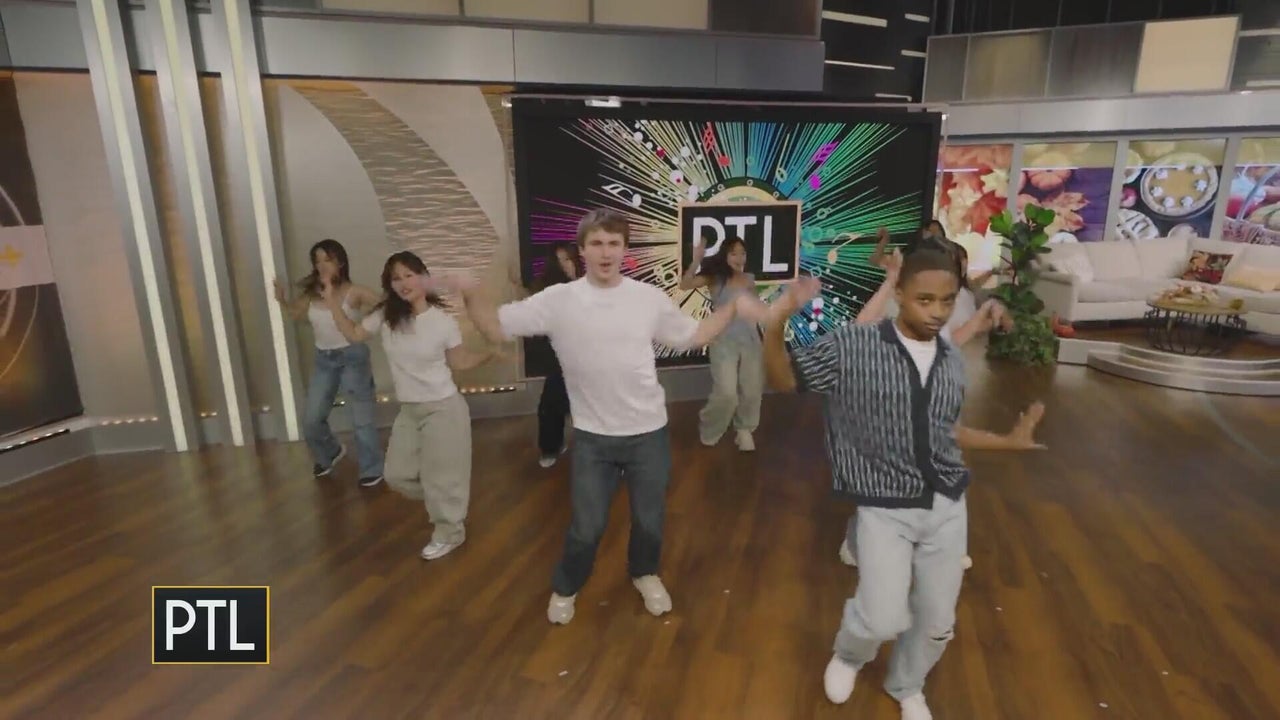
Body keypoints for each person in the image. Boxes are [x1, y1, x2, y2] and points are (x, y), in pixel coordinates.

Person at [444, 209, 784, 625]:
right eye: (597, 244)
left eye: (613, 244)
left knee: (650, 521)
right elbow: (496, 328)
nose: (605, 252)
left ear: (624, 250)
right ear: (583, 250)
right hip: (593, 438)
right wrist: (471, 293)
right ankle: (567, 586)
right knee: (586, 526)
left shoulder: (646, 298)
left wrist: (731, 311)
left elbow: (693, 336)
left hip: (648, 434)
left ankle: (644, 572)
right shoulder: (558, 300)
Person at [760, 249, 1045, 719]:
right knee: (881, 616)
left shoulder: (949, 358)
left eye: (947, 301)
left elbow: (942, 431)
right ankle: (850, 655)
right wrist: (777, 322)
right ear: (898, 294)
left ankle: (906, 685)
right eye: (924, 300)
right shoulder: (855, 345)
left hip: (947, 504)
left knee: (937, 624)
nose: (937, 312)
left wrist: (1006, 442)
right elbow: (785, 379)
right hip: (884, 505)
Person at [840, 247, 1015, 571]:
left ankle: (943, 547)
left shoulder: (940, 307)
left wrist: (982, 317)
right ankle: (855, 540)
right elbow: (859, 328)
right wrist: (890, 281)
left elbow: (949, 341)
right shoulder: (898, 301)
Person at [324, 251, 498, 561]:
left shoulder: (442, 322)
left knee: (443, 479)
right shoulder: (386, 316)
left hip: (443, 408)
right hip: (409, 410)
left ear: (423, 278)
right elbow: (353, 334)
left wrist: (490, 353)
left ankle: (450, 532)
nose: (403, 283)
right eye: (396, 278)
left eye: (409, 275)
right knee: (397, 475)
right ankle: (446, 505)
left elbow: (460, 362)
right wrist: (332, 303)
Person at [273, 239, 384, 488]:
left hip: (352, 358)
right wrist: (282, 300)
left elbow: (384, 306)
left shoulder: (354, 292)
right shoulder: (313, 294)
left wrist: (366, 326)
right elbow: (295, 314)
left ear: (340, 262)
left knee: (361, 420)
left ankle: (372, 468)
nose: (322, 265)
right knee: (311, 418)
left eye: (327, 260)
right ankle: (330, 451)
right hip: (324, 359)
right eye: (317, 261)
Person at [678, 235, 764, 451]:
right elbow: (684, 284)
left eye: (742, 253)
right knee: (727, 394)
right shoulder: (715, 278)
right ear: (725, 255)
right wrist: (696, 260)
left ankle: (744, 430)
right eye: (734, 253)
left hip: (751, 340)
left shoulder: (749, 279)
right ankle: (710, 429)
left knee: (752, 391)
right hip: (723, 341)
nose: (739, 258)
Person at [517, 242, 580, 468]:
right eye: (560, 261)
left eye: (568, 259)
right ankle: (551, 447)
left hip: (592, 358)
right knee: (551, 405)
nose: (565, 266)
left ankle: (609, 455)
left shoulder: (592, 287)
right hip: (560, 359)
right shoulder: (551, 292)